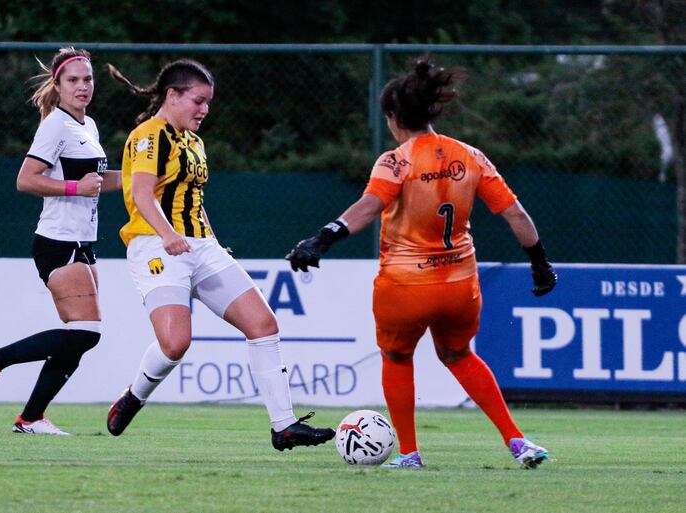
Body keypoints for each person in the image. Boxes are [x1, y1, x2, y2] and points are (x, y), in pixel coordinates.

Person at [286, 57, 557, 469]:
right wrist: (539, 263)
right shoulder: (471, 156)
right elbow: (516, 215)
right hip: (460, 284)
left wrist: (322, 238)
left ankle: (410, 455)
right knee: (460, 355)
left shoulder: (396, 160)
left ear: (394, 117)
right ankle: (518, 442)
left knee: (397, 359)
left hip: (405, 286)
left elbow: (368, 207)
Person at [103, 59, 335, 450]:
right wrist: (169, 235)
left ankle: (284, 426)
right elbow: (142, 194)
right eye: (198, 100)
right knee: (175, 343)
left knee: (263, 325)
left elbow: (193, 198)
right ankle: (134, 396)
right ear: (172, 96)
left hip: (201, 246)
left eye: (208, 102)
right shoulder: (148, 135)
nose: (204, 110)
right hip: (156, 245)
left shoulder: (194, 141)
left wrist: (209, 240)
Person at [0, 47, 122, 435]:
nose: (82, 86)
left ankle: (31, 418)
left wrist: (144, 176)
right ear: (58, 84)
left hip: (83, 242)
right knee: (87, 333)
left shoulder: (87, 126)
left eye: (87, 79)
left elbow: (97, 183)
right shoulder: (55, 125)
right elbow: (26, 179)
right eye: (73, 80)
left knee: (77, 339)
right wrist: (74, 187)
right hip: (58, 242)